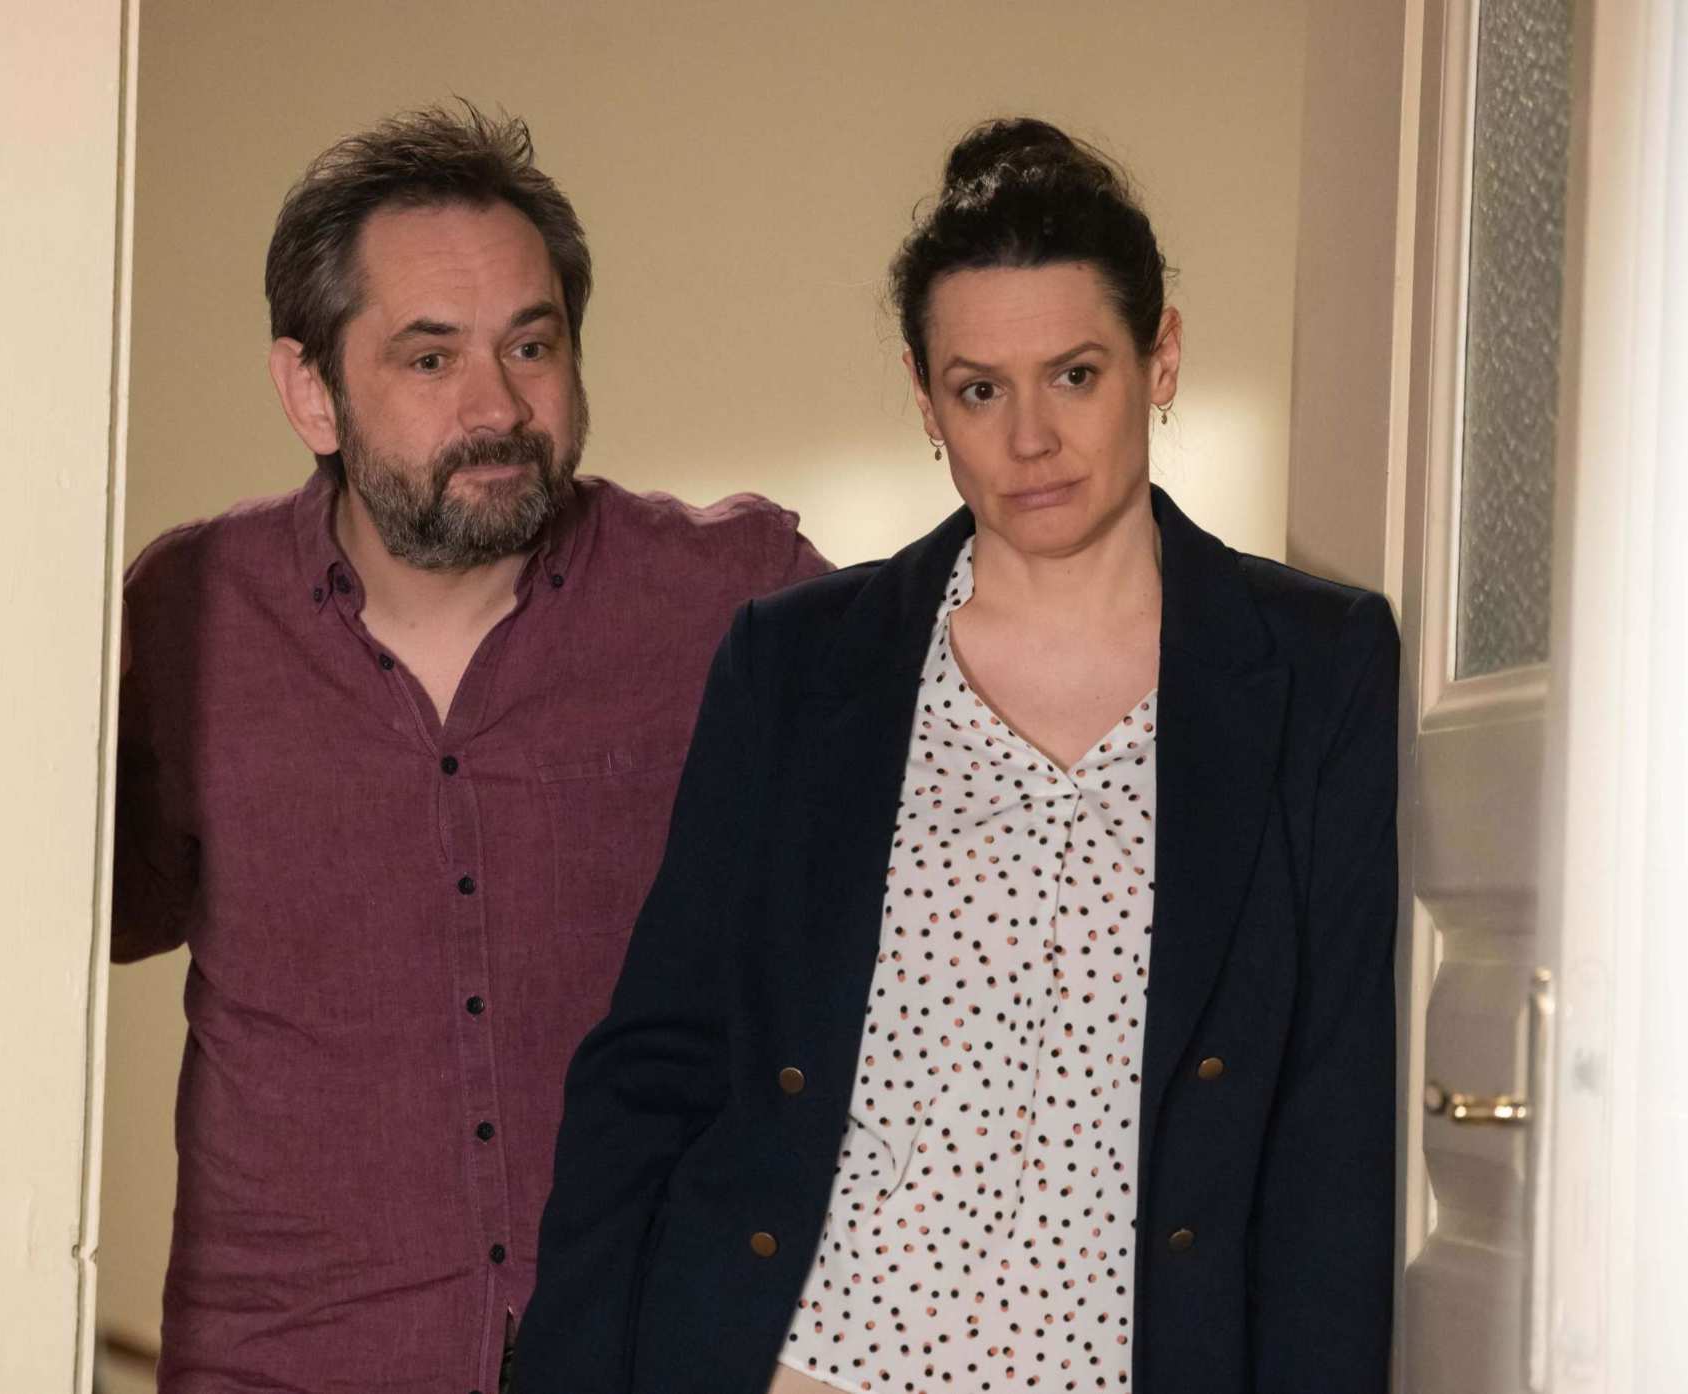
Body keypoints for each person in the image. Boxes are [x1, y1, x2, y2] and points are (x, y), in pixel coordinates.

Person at [517, 117, 1398, 1394]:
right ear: (926, 399)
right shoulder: (796, 663)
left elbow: (1331, 1124)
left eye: (1075, 374)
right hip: (809, 1362)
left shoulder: (1317, 667)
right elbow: (656, 1057)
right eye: (980, 388)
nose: (1029, 436)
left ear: (1159, 357)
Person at [110, 104, 828, 1393]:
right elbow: (36, 934)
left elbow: (950, 879)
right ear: (310, 390)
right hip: (290, 1362)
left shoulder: (734, 598)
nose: (497, 405)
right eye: (430, 358)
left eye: (530, 346)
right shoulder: (189, 616)